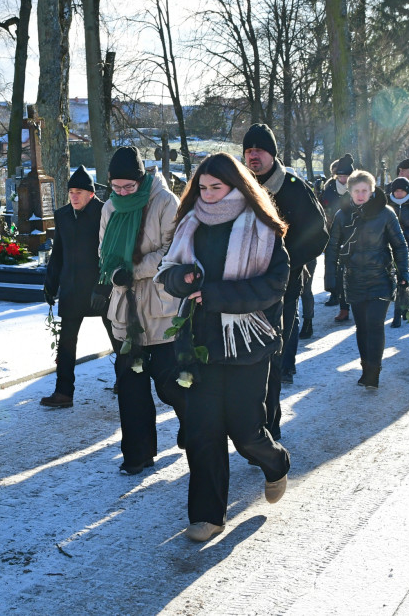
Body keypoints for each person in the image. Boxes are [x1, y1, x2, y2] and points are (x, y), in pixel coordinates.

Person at [155, 153, 291, 543]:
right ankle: (207, 515)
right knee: (202, 431)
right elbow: (168, 276)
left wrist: (214, 294)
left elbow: (273, 286)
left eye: (217, 187)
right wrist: (181, 279)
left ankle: (275, 460)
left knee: (245, 431)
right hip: (198, 344)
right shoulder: (190, 224)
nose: (209, 194)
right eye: (203, 187)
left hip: (248, 344)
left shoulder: (263, 227)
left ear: (237, 186)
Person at [96, 146, 186, 474]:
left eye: (128, 187)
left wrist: (133, 270)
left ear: (141, 179)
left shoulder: (164, 202)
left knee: (171, 383)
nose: (121, 193)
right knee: (131, 386)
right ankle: (138, 453)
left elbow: (172, 249)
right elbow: (104, 251)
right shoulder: (109, 209)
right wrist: (115, 273)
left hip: (161, 307)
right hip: (126, 312)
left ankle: (191, 427)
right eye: (116, 187)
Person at [242, 123, 327, 439]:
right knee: (245, 361)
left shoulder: (293, 187)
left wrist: (285, 263)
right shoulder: (238, 186)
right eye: (249, 150)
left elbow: (319, 234)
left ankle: (269, 429)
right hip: (243, 288)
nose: (253, 155)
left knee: (271, 360)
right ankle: (248, 425)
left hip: (282, 289)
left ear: (272, 154)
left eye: (259, 150)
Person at [41, 166, 119, 408]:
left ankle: (127, 380)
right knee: (66, 342)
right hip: (73, 288)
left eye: (79, 192)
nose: (74, 196)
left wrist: (104, 286)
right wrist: (51, 282)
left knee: (118, 335)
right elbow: (59, 252)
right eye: (71, 192)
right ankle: (64, 392)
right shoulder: (63, 215)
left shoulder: (104, 212)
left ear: (91, 194)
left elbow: (111, 252)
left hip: (100, 289)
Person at [325, 171, 409, 389]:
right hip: (353, 279)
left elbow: (400, 245)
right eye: (356, 191)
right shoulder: (342, 216)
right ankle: (365, 368)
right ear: (350, 192)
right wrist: (330, 276)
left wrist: (404, 273)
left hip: (379, 277)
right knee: (361, 327)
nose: (360, 195)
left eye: (364, 191)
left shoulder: (386, 214)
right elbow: (332, 247)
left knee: (374, 324)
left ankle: (374, 371)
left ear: (372, 191)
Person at [319, 156, 354, 319]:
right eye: (340, 176)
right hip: (332, 229)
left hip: (352, 231)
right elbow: (323, 205)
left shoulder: (356, 187)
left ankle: (350, 300)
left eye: (346, 176)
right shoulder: (330, 187)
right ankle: (335, 294)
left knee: (350, 265)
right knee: (332, 264)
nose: (343, 179)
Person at [387, 176, 409, 328]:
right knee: (394, 280)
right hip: (390, 248)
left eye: (401, 191)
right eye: (396, 191)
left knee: (404, 280)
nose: (398, 194)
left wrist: (403, 235)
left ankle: (398, 314)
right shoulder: (387, 206)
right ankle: (403, 308)